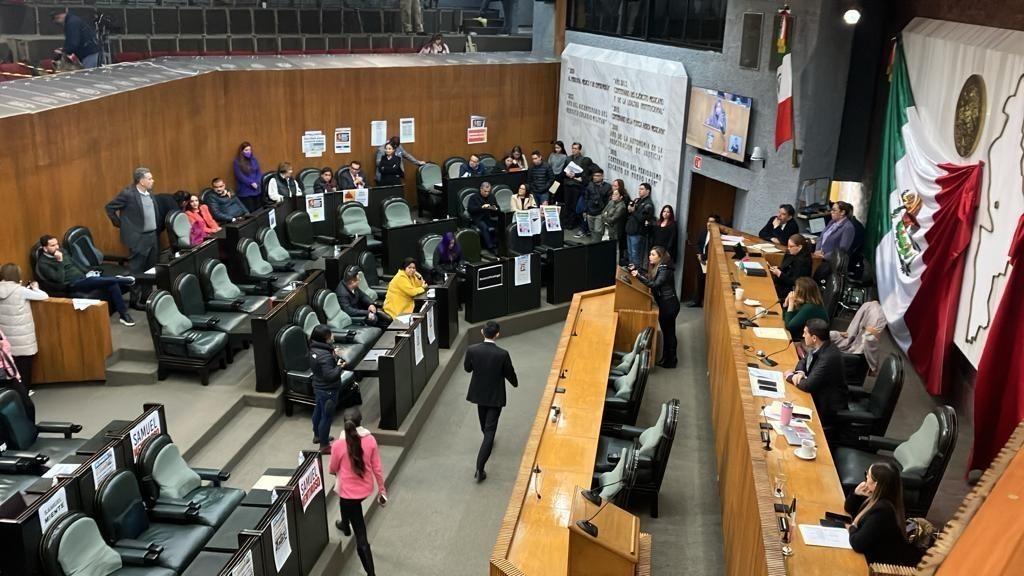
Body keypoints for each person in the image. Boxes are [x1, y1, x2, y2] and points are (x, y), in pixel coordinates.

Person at [329, 407, 387, 576]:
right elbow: (377, 468)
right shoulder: (370, 441)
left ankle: (371, 574)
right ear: (361, 422)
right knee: (345, 503)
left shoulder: (339, 445)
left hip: (349, 493)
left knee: (361, 534)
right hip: (365, 489)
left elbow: (332, 468)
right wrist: (381, 489)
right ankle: (345, 524)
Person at [36, 235, 136, 326]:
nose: (57, 247)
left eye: (57, 244)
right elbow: (59, 279)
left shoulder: (62, 251)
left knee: (112, 284)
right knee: (105, 281)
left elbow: (75, 264)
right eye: (53, 245)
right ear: (45, 248)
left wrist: (88, 271)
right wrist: (60, 261)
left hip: (83, 278)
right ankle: (119, 280)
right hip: (71, 284)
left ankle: (123, 315)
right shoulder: (43, 263)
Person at [464, 321, 518, 481]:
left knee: (484, 424)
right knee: (490, 431)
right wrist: (515, 383)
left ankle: (487, 443)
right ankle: (480, 469)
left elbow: (467, 368)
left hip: (479, 395)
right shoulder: (502, 354)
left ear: (482, 332)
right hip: (495, 396)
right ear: (497, 334)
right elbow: (510, 372)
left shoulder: (472, 350)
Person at [845, 461, 924, 566]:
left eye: (867, 476)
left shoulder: (883, 511)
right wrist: (856, 494)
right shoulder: (881, 497)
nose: (865, 480)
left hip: (884, 565)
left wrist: (852, 527)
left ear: (876, 484)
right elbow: (850, 509)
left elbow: (858, 543)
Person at [105, 166, 161, 306]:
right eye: (149, 178)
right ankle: (134, 301)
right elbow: (109, 208)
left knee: (149, 269)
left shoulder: (149, 192)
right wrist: (122, 225)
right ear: (141, 181)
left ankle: (146, 298)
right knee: (136, 270)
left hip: (152, 236)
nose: (152, 180)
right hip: (138, 238)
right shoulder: (128, 194)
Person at [786, 318, 848, 437]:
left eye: (805, 333)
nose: (803, 335)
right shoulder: (822, 346)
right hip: (817, 394)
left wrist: (789, 376)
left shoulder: (828, 357)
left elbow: (808, 385)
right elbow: (803, 361)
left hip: (826, 406)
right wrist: (800, 372)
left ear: (814, 338)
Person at [0, 264, 48, 389]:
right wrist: (35, 288)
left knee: (10, 367)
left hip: (6, 337)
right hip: (23, 338)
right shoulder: (21, 290)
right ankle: (24, 392)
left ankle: (13, 392)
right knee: (25, 369)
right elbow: (44, 296)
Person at [630, 247, 679, 368]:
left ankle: (671, 360)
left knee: (669, 333)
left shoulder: (664, 269)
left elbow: (655, 284)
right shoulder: (659, 267)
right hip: (666, 303)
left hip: (669, 305)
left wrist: (638, 276)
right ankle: (666, 358)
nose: (649, 256)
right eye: (650, 254)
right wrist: (637, 270)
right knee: (668, 332)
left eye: (653, 255)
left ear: (660, 257)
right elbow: (650, 276)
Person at [309, 324, 348, 453]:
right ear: (324, 338)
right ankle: (324, 445)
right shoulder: (324, 356)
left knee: (318, 411)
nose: (332, 336)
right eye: (330, 335)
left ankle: (318, 436)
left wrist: (333, 355)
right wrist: (339, 366)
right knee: (327, 417)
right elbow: (330, 376)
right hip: (328, 390)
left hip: (318, 387)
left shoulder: (314, 348)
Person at [831, 300, 887, 374]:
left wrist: (873, 365)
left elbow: (869, 339)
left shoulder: (875, 313)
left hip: (856, 353)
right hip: (855, 344)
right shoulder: (875, 311)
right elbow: (852, 332)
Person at [0, 328, 35, 421]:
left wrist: (17, 376)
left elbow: (7, 355)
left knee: (28, 406)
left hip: (10, 375)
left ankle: (31, 432)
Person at [688, 214, 722, 307]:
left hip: (710, 262)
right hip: (701, 261)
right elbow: (698, 244)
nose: (709, 224)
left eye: (712, 222)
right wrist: (699, 255)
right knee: (699, 281)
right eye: (708, 221)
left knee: (709, 283)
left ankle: (707, 303)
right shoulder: (704, 232)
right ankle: (697, 301)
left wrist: (704, 256)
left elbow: (715, 250)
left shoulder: (718, 236)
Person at [769, 234, 813, 299]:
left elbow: (795, 281)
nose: (788, 248)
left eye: (791, 246)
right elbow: (787, 268)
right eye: (788, 246)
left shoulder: (803, 261)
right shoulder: (790, 253)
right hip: (783, 286)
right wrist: (778, 269)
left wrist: (779, 274)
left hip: (792, 292)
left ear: (800, 247)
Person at [625, 182, 656, 270]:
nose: (639, 191)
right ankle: (630, 271)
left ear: (648, 191)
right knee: (630, 254)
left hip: (638, 233)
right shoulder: (637, 200)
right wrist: (630, 209)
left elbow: (642, 219)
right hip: (630, 231)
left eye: (642, 189)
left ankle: (636, 274)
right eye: (639, 189)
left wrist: (633, 211)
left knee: (636, 256)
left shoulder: (648, 204)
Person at [562, 142, 591, 230]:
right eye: (573, 148)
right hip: (567, 183)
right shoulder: (568, 159)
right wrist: (567, 174)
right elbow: (563, 170)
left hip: (576, 185)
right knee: (567, 204)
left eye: (575, 148)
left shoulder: (583, 160)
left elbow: (584, 173)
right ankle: (565, 222)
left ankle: (572, 223)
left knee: (574, 205)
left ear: (579, 150)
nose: (573, 150)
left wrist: (575, 175)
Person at [577, 167, 611, 239]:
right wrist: (585, 211)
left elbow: (608, 201)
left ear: (602, 176)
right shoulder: (590, 185)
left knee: (598, 231)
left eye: (597, 176)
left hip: (600, 213)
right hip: (590, 212)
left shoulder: (607, 187)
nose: (595, 177)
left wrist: (605, 212)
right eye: (594, 176)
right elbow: (586, 198)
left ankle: (596, 246)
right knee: (592, 230)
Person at [468, 182, 500, 251]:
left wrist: (495, 208)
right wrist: (481, 207)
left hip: (489, 217)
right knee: (484, 227)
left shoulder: (491, 196)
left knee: (499, 224)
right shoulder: (474, 197)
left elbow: (497, 207)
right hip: (478, 218)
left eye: (488, 191)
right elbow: (470, 210)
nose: (487, 193)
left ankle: (497, 243)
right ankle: (490, 247)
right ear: (481, 189)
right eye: (485, 191)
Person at [233, 142, 263, 213]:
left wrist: (257, 182)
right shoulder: (237, 162)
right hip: (245, 190)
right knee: (251, 211)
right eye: (246, 150)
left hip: (257, 189)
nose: (248, 152)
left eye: (249, 150)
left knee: (259, 210)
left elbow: (258, 172)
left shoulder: (254, 159)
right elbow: (240, 176)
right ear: (242, 151)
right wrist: (251, 182)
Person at [601, 182, 628, 260]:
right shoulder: (610, 202)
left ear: (621, 197)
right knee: (604, 249)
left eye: (616, 194)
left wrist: (606, 215)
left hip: (613, 232)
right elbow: (602, 213)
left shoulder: (622, 206)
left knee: (614, 251)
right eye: (613, 194)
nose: (613, 195)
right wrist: (605, 216)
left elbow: (612, 220)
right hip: (605, 229)